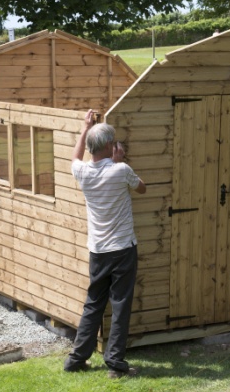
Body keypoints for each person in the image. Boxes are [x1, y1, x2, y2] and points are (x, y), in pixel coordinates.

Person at [64, 109, 146, 377]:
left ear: (91, 147)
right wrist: (119, 161)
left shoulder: (82, 173)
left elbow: (75, 157)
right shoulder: (121, 170)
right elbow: (142, 187)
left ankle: (76, 360)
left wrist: (85, 127)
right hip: (122, 250)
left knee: (93, 303)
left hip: (97, 250)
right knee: (120, 304)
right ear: (111, 147)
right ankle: (115, 364)